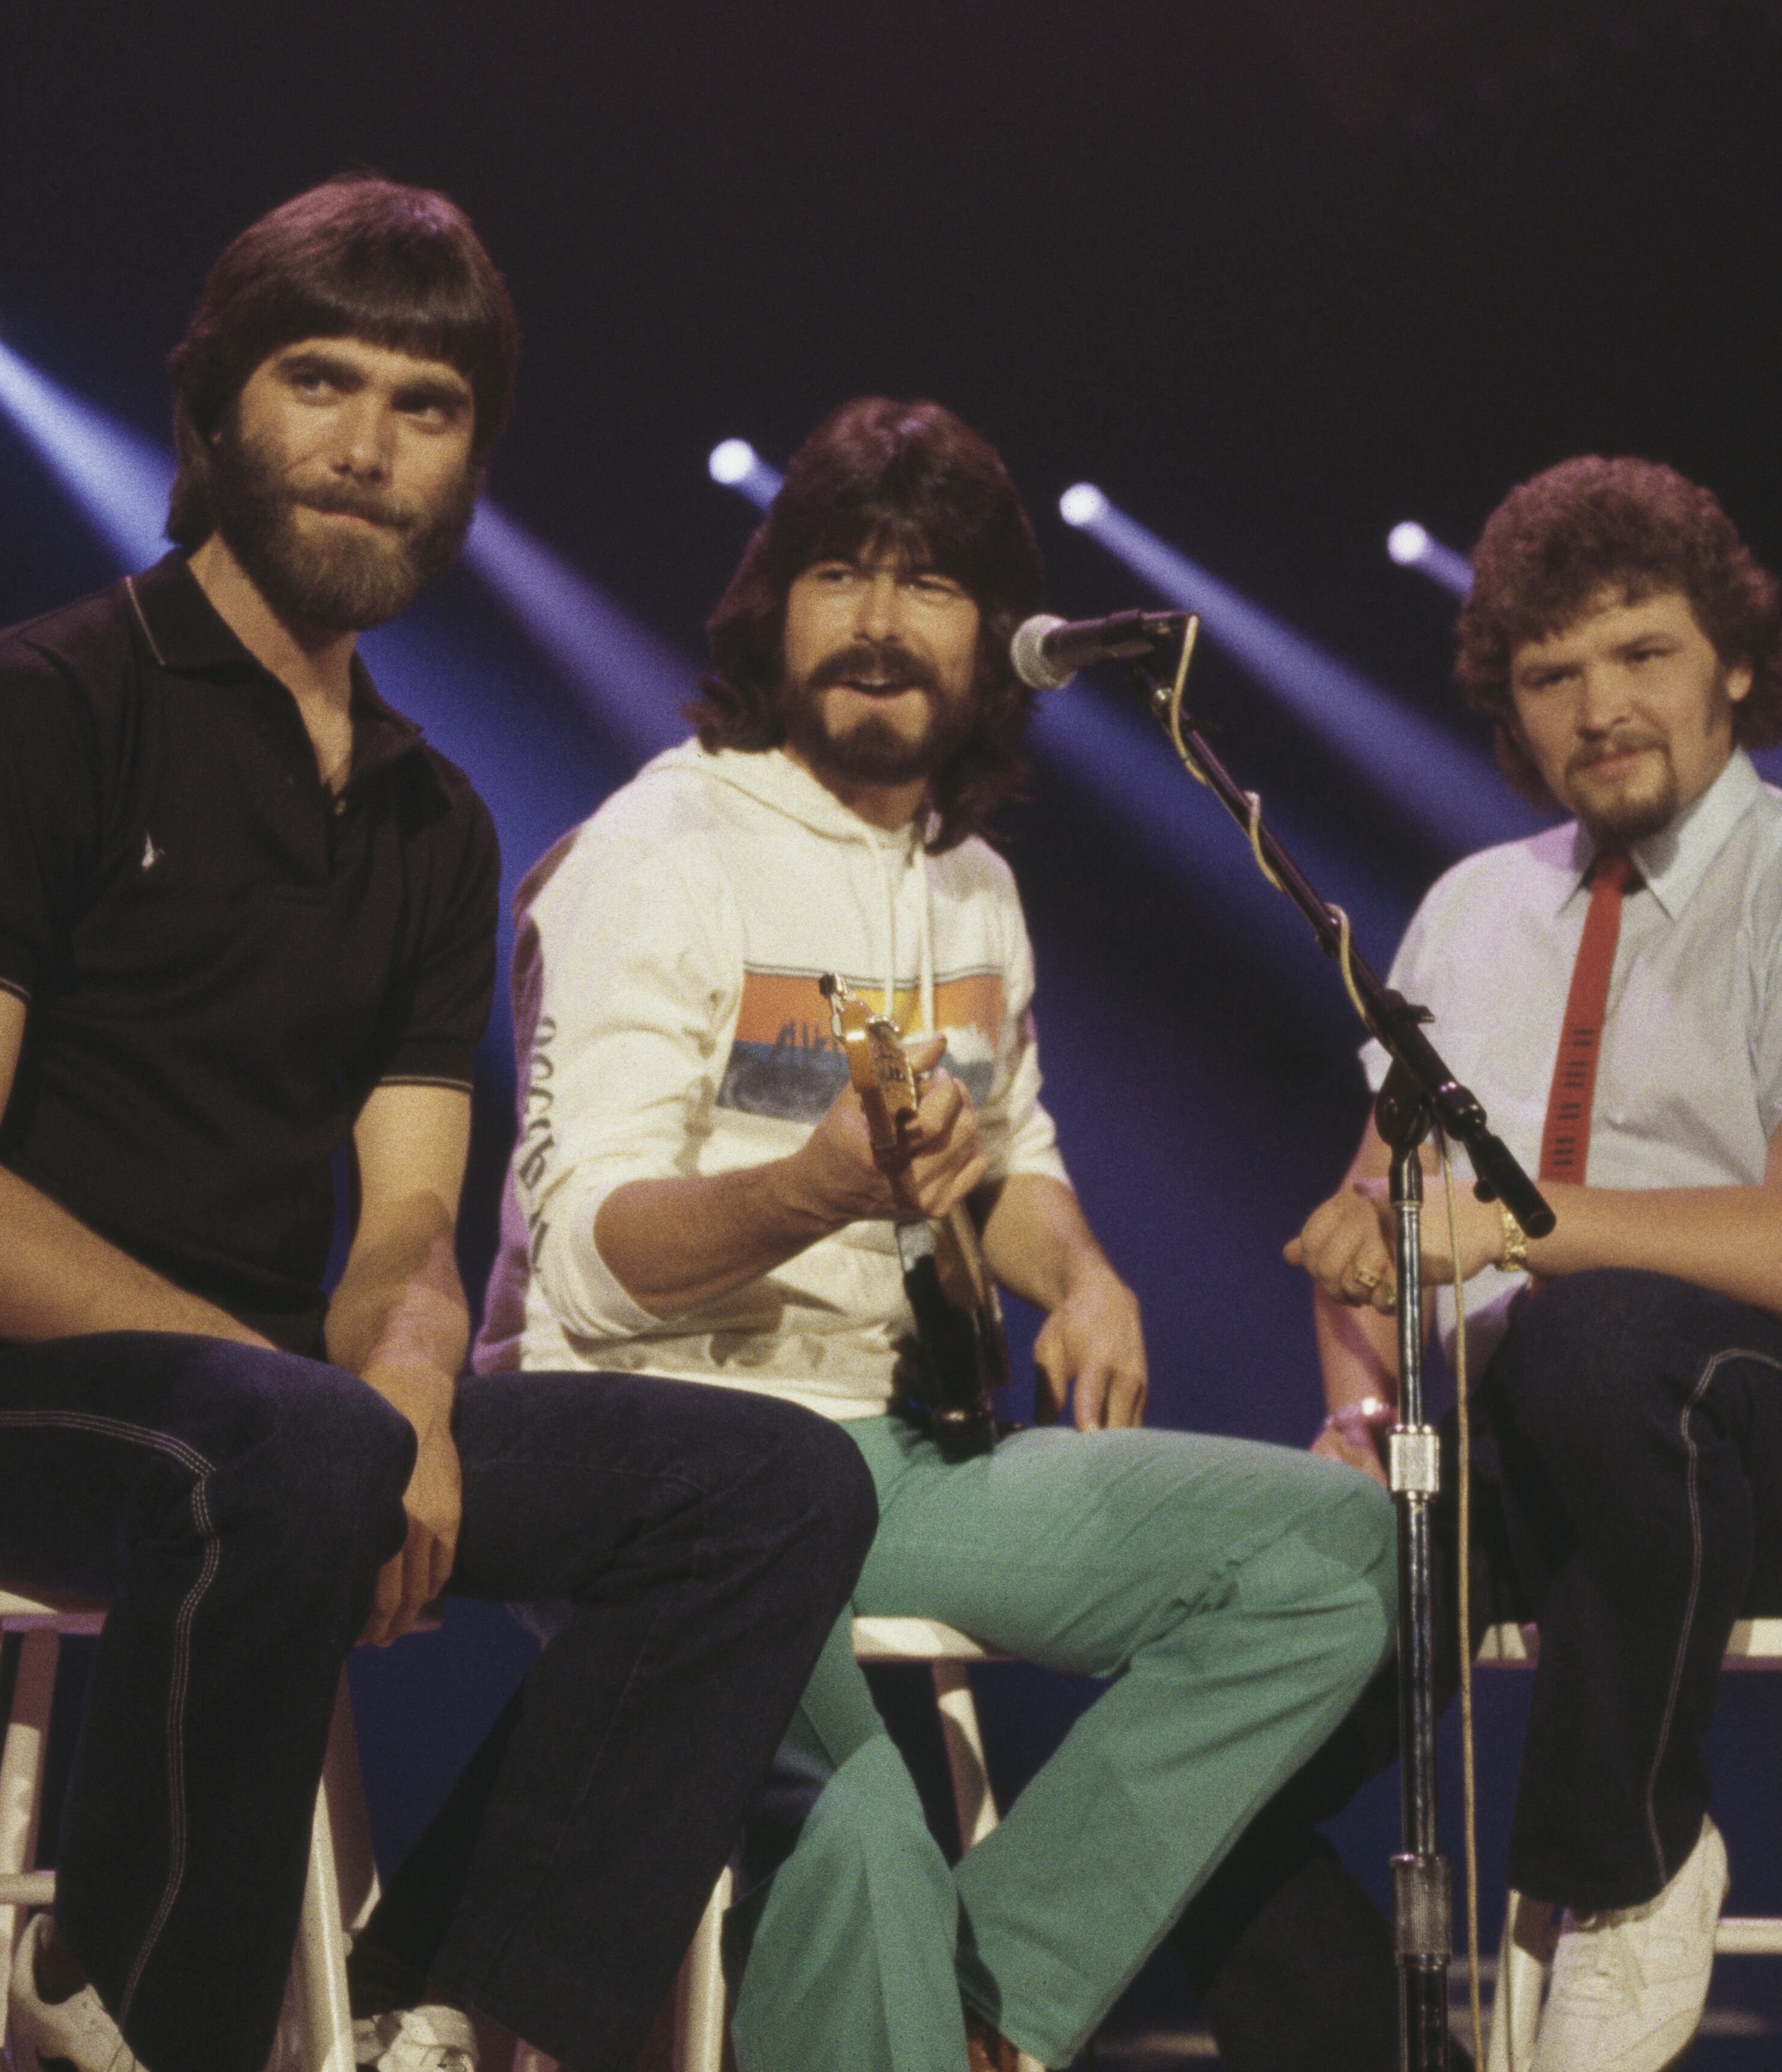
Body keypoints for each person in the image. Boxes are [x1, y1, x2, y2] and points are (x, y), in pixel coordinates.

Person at [0, 175, 875, 2072]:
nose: (369, 448)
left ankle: (453, 2015)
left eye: (428, 406)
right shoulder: (48, 704)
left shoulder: (428, 814)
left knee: (774, 1486)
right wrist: (312, 1405)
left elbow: (407, 1218)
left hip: (278, 1428)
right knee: (289, 1449)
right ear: (215, 403)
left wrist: (402, 1386)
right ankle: (131, 2022)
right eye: (321, 383)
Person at [418, 396, 1398, 2072]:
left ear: (997, 640)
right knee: (866, 1840)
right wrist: (812, 1188)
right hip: (655, 1460)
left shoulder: (971, 887)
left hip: (891, 1450)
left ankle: (977, 2009)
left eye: (931, 583)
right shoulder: (656, 853)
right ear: (768, 611)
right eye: (839, 575)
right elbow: (582, 1264)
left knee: (1330, 1555)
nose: (879, 620)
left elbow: (1008, 1151)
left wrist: (1081, 1273)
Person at [1287, 455, 1782, 2072]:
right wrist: (1363, 1405)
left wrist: (1526, 1230)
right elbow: (1370, 1230)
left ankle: (1628, 1861)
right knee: (1215, 1702)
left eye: (1641, 651)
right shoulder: (1466, 911)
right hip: (1531, 1453)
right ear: (1508, 706)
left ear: (1733, 654)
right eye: (1549, 672)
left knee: (1598, 1341)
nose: (1598, 703)